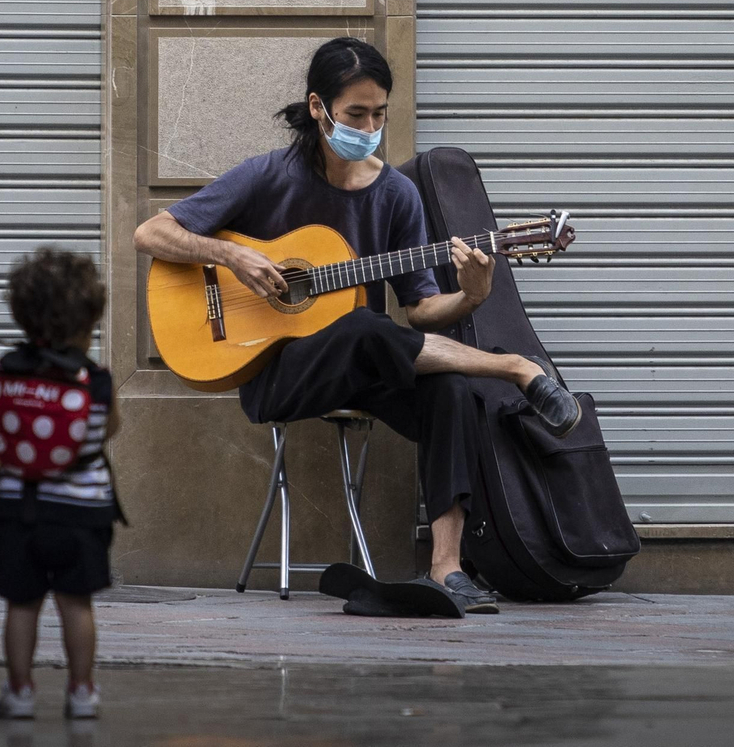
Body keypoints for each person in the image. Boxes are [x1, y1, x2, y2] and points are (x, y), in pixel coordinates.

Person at [132, 37, 580, 615]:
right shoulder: (268, 176)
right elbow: (150, 233)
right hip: (279, 373)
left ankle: (448, 568)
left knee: (449, 388)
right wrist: (230, 255)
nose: (369, 126)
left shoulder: (396, 194)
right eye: (355, 114)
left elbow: (419, 308)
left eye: (379, 114)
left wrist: (470, 296)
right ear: (319, 108)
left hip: (368, 368)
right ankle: (515, 368)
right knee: (360, 326)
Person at [0, 248, 117, 722]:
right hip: (81, 513)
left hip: (16, 508)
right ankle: (82, 693)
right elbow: (109, 430)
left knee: (21, 605)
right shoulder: (96, 381)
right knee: (75, 605)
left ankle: (19, 692)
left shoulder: (6, 370)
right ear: (89, 318)